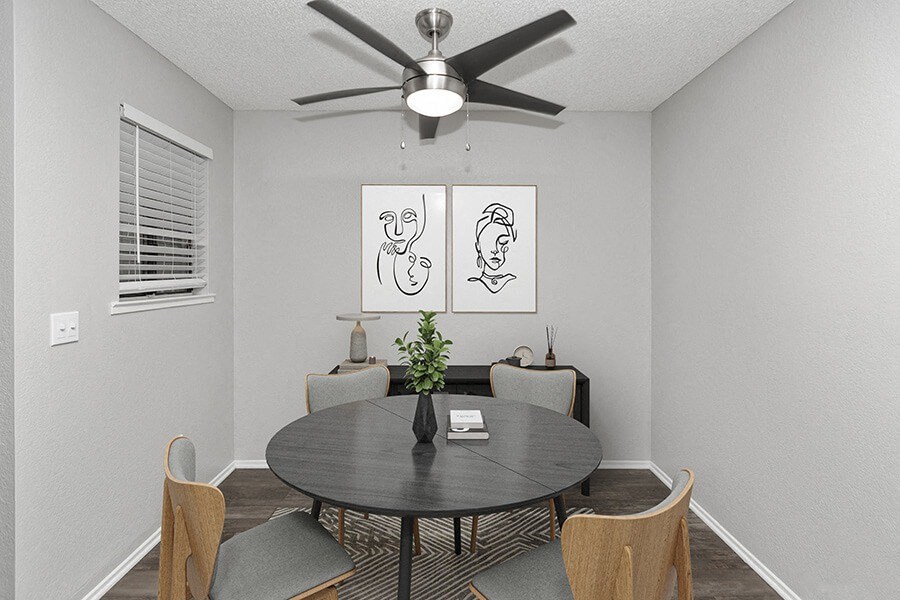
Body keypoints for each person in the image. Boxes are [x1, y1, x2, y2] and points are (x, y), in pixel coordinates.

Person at [468, 203, 517, 293]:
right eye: (488, 242)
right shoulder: (471, 285)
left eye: (502, 242)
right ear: (478, 246)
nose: (495, 250)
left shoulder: (514, 281)